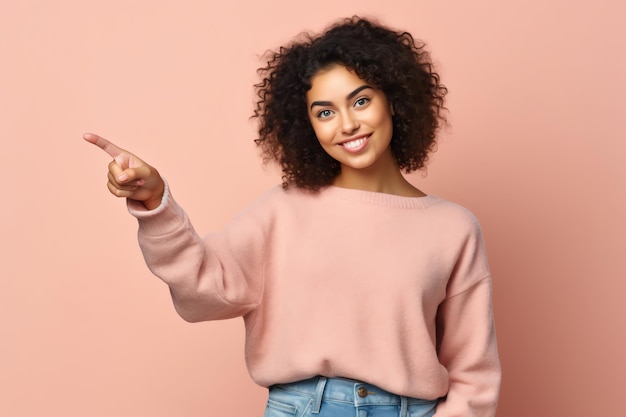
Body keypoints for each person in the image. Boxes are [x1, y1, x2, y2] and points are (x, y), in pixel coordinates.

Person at [84, 16, 500, 417]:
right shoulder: (284, 211)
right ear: (307, 126)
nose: (348, 124)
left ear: (393, 99)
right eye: (325, 112)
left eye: (360, 100)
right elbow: (202, 292)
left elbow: (473, 373)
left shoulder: (453, 228)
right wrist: (156, 203)